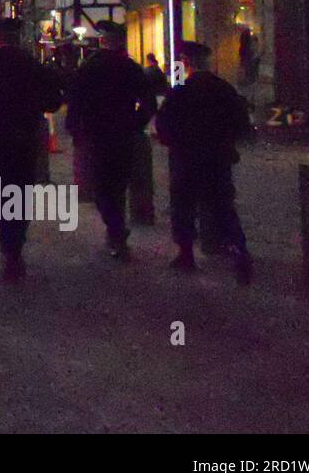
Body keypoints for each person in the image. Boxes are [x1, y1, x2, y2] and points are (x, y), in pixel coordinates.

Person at [0, 17, 63, 281]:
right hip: (25, 137)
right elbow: (53, 100)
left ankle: (9, 244)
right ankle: (15, 245)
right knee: (22, 189)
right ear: (17, 37)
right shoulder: (31, 65)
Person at [155, 40, 253, 284]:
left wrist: (173, 142)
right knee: (222, 207)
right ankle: (240, 252)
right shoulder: (224, 90)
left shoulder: (181, 93)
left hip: (186, 159)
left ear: (186, 63)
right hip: (217, 159)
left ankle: (186, 253)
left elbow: (164, 125)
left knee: (183, 206)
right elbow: (241, 123)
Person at [65, 20, 157, 261]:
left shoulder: (89, 67)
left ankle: (115, 230)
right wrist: (136, 123)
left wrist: (75, 129)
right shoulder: (131, 68)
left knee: (102, 185)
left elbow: (75, 100)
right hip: (123, 133)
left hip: (97, 134)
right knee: (119, 182)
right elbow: (149, 103)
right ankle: (117, 230)